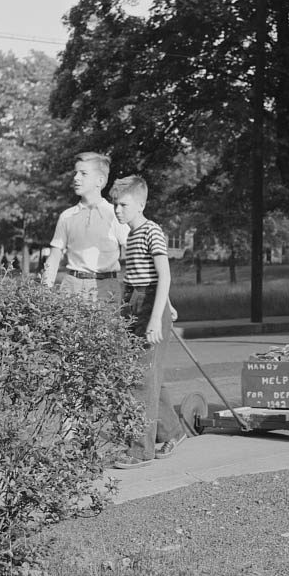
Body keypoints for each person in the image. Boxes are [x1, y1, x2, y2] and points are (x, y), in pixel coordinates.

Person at [109, 174, 186, 468]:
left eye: (124, 204)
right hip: (135, 302)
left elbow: (163, 275)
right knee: (147, 375)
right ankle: (173, 431)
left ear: (141, 203)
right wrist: (167, 305)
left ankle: (141, 451)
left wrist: (157, 317)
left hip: (149, 306)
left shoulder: (152, 231)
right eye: (115, 204)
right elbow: (146, 277)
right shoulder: (131, 234)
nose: (118, 210)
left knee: (141, 381)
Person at [42, 152, 128, 304]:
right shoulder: (67, 216)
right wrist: (42, 294)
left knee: (106, 328)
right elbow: (54, 257)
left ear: (99, 181)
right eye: (75, 173)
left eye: (83, 173)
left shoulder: (115, 214)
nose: (76, 178)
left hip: (106, 288)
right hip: (71, 287)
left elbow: (136, 253)